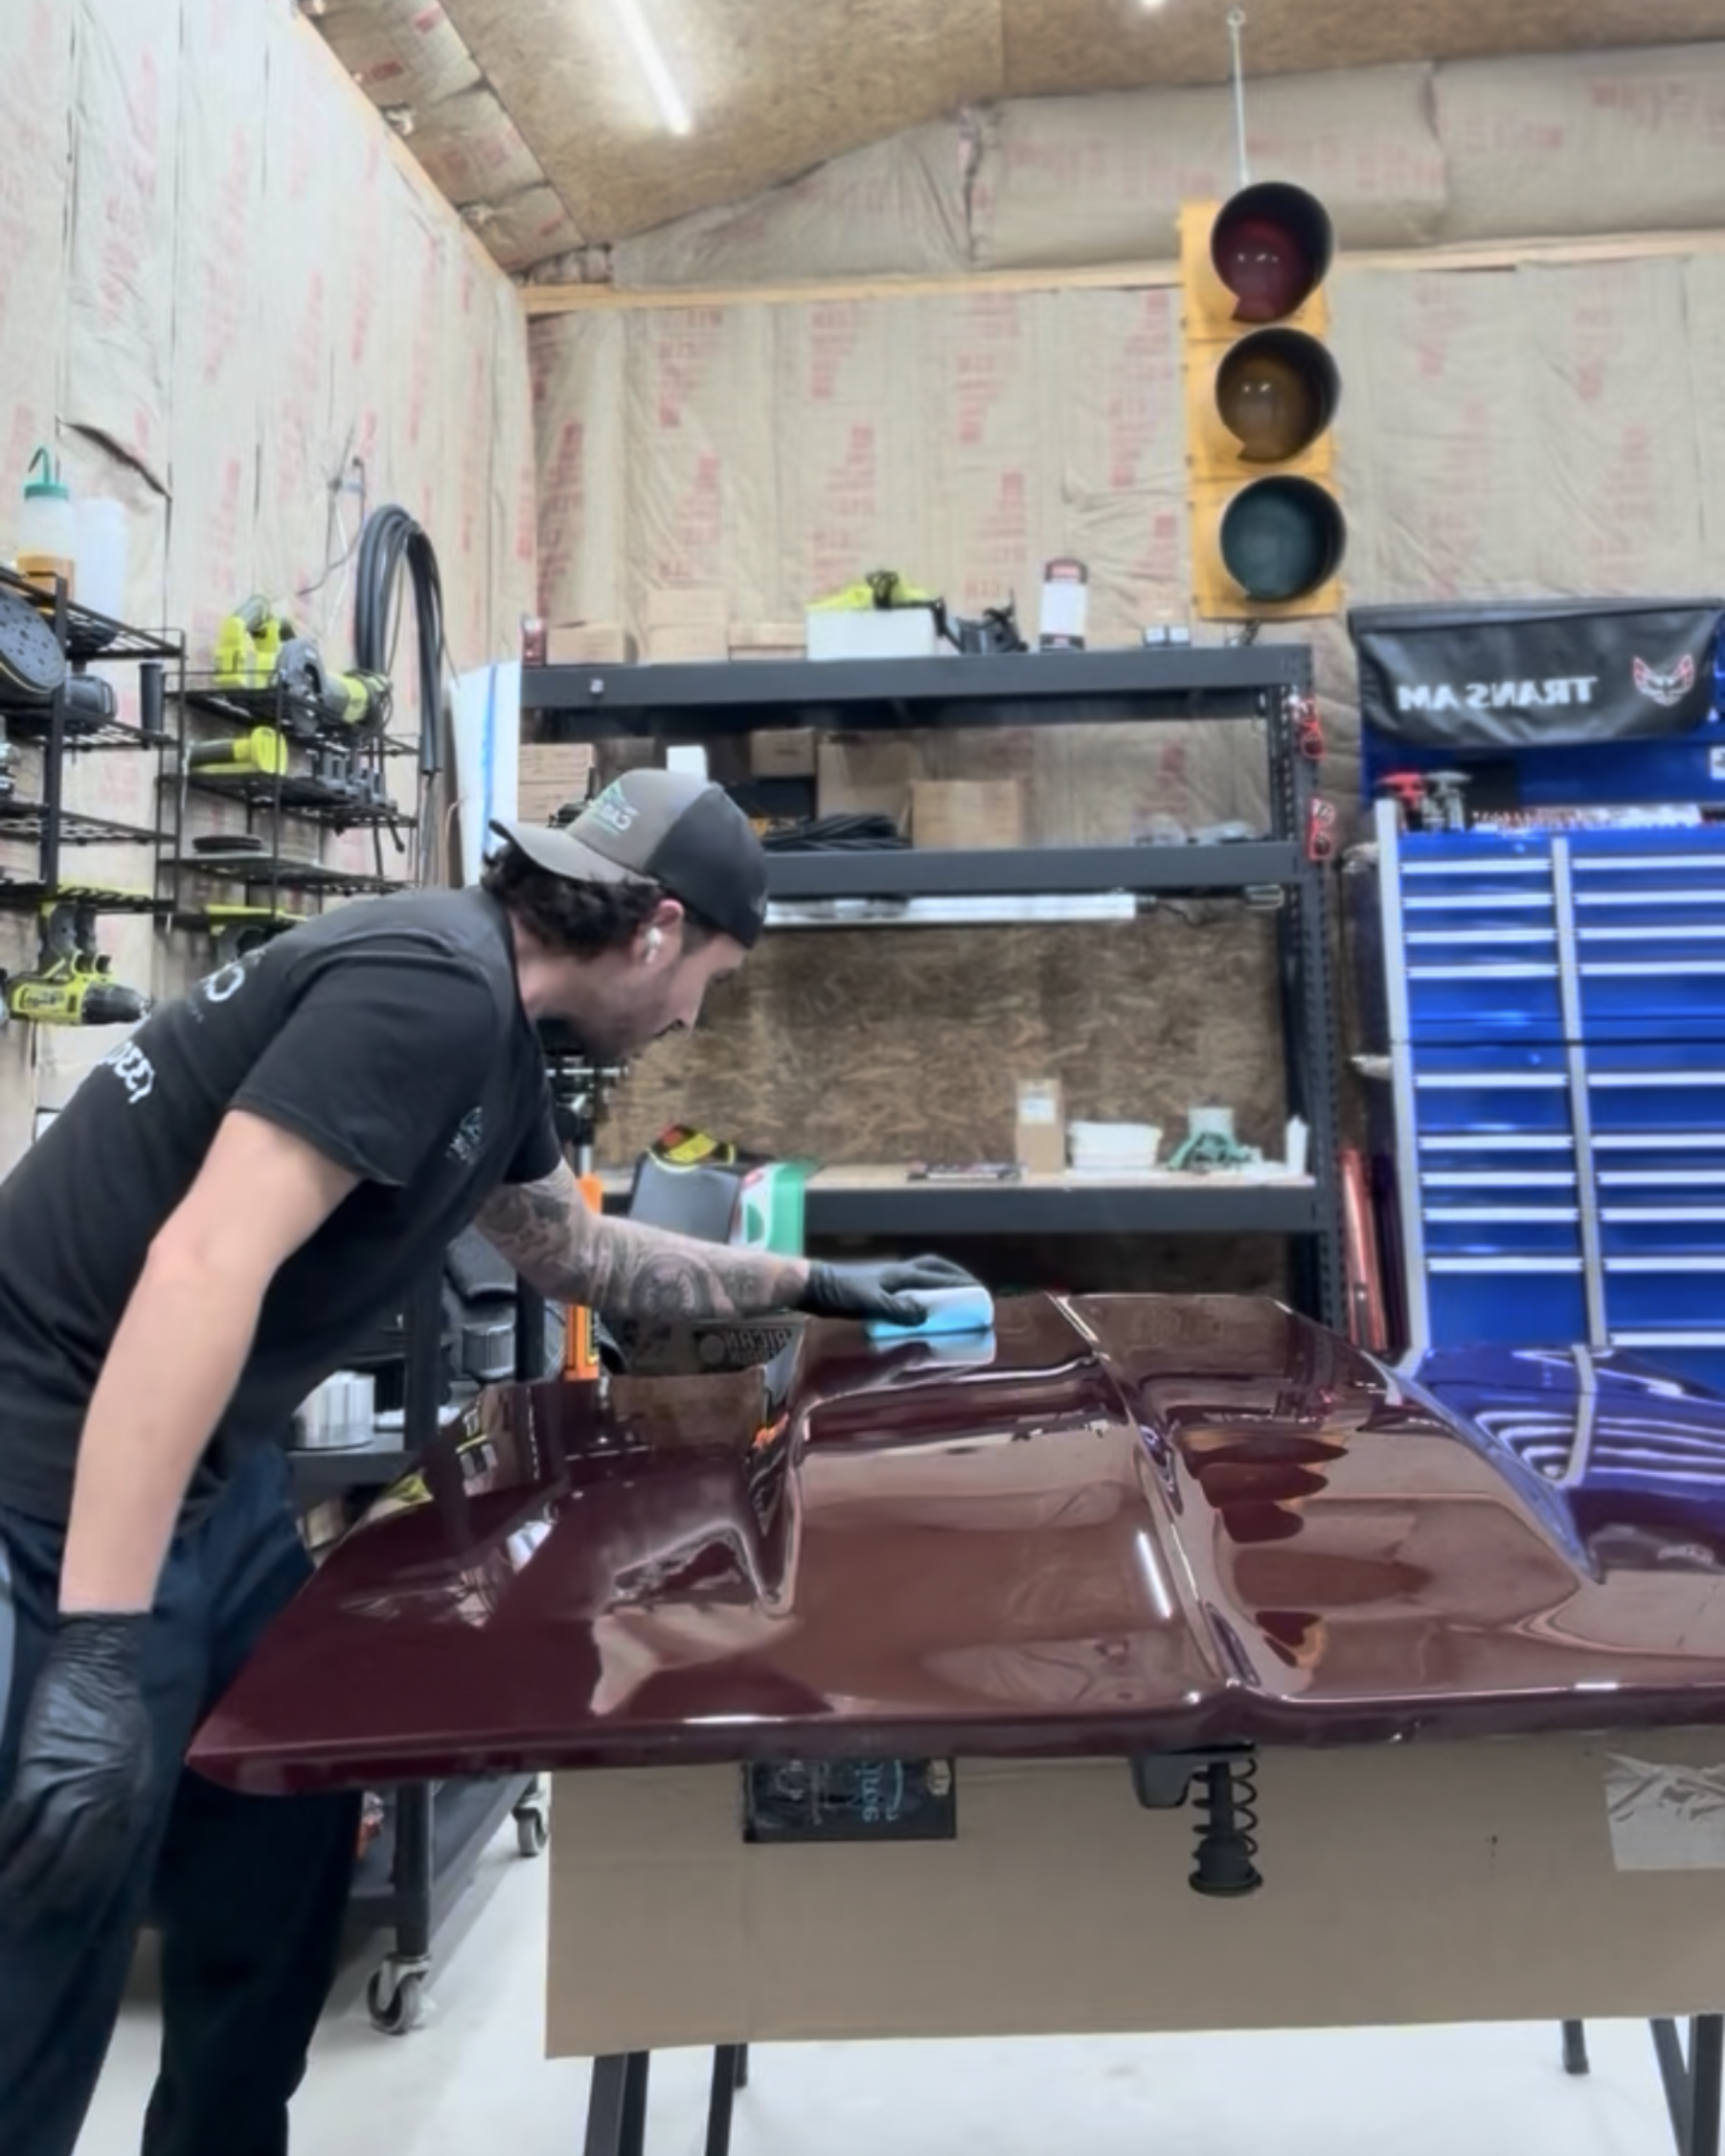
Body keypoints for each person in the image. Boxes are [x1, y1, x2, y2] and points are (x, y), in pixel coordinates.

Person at [0, 766, 978, 2156]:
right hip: (50, 1475)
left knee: (275, 1858)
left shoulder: (496, 1037)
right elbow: (201, 1257)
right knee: (55, 1916)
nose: (697, 1011)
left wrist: (811, 1280)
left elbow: (573, 1249)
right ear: (655, 928)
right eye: (710, 971)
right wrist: (96, 1646)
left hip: (207, 1489)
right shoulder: (427, 987)